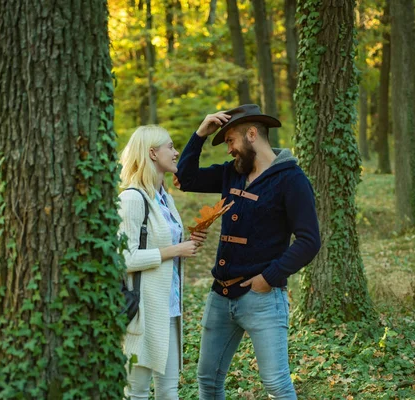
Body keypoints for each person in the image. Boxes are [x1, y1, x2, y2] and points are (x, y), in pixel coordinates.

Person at [174, 104, 321, 399]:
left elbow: (309, 240)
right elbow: (186, 179)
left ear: (252, 134)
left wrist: (269, 277)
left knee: (277, 385)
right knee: (208, 379)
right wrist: (201, 134)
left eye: (231, 141)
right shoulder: (233, 173)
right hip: (220, 297)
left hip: (263, 298)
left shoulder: (291, 180)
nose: (229, 149)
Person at [118, 125, 208, 400]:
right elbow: (124, 258)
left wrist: (188, 242)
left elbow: (164, 243)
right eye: (170, 146)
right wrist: (174, 250)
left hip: (169, 310)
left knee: (169, 392)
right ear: (153, 153)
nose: (176, 151)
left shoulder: (165, 198)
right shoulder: (131, 199)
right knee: (137, 393)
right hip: (142, 314)